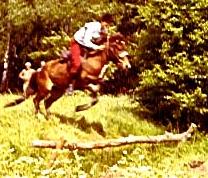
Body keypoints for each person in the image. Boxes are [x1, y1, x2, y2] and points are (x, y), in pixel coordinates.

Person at [67, 13, 114, 93]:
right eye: (106, 24)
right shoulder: (93, 26)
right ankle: (70, 85)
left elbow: (100, 41)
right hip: (77, 43)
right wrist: (97, 47)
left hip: (85, 46)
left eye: (108, 25)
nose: (107, 27)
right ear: (102, 21)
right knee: (77, 63)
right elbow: (86, 41)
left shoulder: (102, 30)